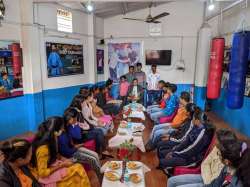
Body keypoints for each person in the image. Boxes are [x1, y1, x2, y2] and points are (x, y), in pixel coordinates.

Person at [30, 117, 91, 187]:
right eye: (61, 128)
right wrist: (61, 165)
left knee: (77, 167)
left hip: (52, 164)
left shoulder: (53, 138)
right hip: (44, 174)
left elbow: (55, 154)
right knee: (78, 168)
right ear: (55, 130)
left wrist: (64, 159)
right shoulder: (43, 148)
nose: (62, 129)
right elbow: (42, 173)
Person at [167, 129, 237, 187]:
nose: (215, 142)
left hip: (209, 183)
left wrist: (208, 181)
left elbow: (218, 180)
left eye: (218, 141)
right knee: (171, 181)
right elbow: (206, 163)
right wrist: (207, 177)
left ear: (224, 145)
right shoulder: (217, 148)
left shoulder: (229, 160)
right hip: (204, 176)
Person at [157, 107, 215, 175]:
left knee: (162, 162)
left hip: (190, 159)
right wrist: (174, 150)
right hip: (184, 152)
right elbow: (185, 142)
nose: (192, 119)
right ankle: (167, 169)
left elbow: (191, 150)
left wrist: (175, 154)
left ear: (197, 120)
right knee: (162, 153)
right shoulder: (197, 127)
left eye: (193, 118)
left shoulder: (203, 134)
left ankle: (169, 172)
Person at [58, 113, 102, 182]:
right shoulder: (61, 136)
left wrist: (75, 145)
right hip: (71, 155)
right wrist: (76, 147)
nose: (75, 119)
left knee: (95, 155)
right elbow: (67, 152)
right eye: (73, 118)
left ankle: (100, 174)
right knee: (93, 160)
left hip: (74, 149)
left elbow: (72, 141)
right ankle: (101, 178)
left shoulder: (67, 129)